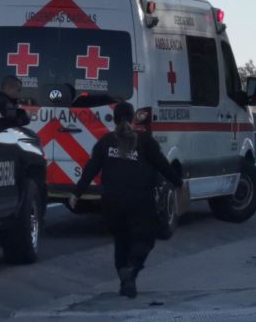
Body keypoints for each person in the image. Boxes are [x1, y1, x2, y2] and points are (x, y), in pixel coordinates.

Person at [68, 101, 183, 299]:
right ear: (132, 118)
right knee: (145, 239)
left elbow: (90, 170)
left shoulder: (105, 142)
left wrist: (76, 193)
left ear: (114, 119)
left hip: (112, 201)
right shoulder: (145, 141)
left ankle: (126, 281)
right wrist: (179, 183)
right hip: (140, 201)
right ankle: (131, 270)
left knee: (121, 240)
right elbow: (163, 166)